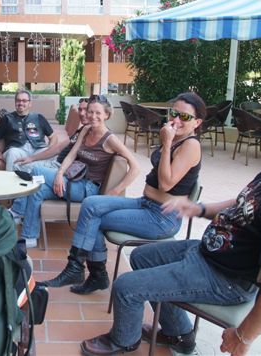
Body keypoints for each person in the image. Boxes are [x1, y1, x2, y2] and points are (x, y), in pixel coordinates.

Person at [79, 98, 261, 356]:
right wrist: (198, 208)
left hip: (226, 280)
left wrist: (243, 336)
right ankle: (179, 334)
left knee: (126, 287)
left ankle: (123, 340)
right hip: (207, 254)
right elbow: (242, 203)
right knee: (142, 257)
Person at [44, 92, 206, 295]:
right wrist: (115, 191)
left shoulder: (190, 145)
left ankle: (87, 272)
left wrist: (165, 144)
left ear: (197, 122)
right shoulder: (176, 140)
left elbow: (166, 184)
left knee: (94, 218)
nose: (176, 120)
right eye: (174, 113)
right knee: (91, 204)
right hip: (146, 203)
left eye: (185, 117)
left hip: (162, 218)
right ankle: (84, 271)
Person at [10, 95, 139, 248]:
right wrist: (59, 174)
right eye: (90, 112)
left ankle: (17, 211)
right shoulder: (86, 130)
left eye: (98, 113)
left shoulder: (110, 139)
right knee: (37, 188)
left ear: (107, 115)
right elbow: (71, 154)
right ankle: (29, 237)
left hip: (88, 188)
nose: (93, 116)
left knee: (36, 169)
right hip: (74, 180)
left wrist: (115, 191)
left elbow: (136, 168)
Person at [0, 89, 62, 172]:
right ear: (15, 102)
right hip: (17, 150)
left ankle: (33, 172)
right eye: (18, 100)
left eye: (24, 101)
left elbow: (53, 137)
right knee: (12, 154)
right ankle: (13, 178)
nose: (21, 103)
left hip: (38, 149)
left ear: (30, 103)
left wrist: (49, 149)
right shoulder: (7, 119)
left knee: (54, 156)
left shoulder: (39, 117)